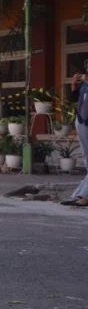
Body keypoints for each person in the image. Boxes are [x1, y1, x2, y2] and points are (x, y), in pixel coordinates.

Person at [63, 66, 88, 206]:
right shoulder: (83, 85)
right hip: (82, 122)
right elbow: (73, 98)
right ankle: (82, 195)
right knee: (87, 158)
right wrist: (73, 84)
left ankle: (83, 195)